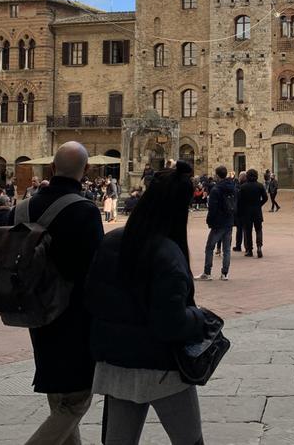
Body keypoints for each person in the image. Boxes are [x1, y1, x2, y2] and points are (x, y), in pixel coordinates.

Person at [86, 160, 206, 444]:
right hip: (161, 369)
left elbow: (90, 298)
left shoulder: (111, 241)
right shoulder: (169, 254)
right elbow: (171, 323)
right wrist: (200, 319)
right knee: (189, 440)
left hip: (116, 365)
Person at [18, 141, 104, 445]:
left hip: (34, 312)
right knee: (76, 400)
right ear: (87, 170)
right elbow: (96, 270)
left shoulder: (23, 208)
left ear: (52, 168)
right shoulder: (84, 210)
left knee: (58, 395)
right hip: (73, 316)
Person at [197, 166, 236, 281]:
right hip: (229, 220)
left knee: (209, 247)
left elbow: (212, 208)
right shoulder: (232, 187)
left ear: (217, 175)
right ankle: (225, 273)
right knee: (227, 249)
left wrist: (210, 221)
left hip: (219, 222)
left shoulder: (216, 189)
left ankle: (207, 272)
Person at [238, 169, 268, 258]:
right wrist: (259, 204)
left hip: (246, 211)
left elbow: (240, 201)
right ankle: (259, 247)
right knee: (258, 229)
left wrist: (240, 210)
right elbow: (265, 198)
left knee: (248, 231)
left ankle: (249, 250)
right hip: (257, 211)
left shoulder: (243, 187)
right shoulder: (260, 186)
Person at [232, 171, 248, 252]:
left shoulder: (239, 186)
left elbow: (236, 198)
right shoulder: (246, 185)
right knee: (244, 229)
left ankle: (239, 246)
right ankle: (246, 247)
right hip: (245, 211)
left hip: (240, 211)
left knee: (240, 230)